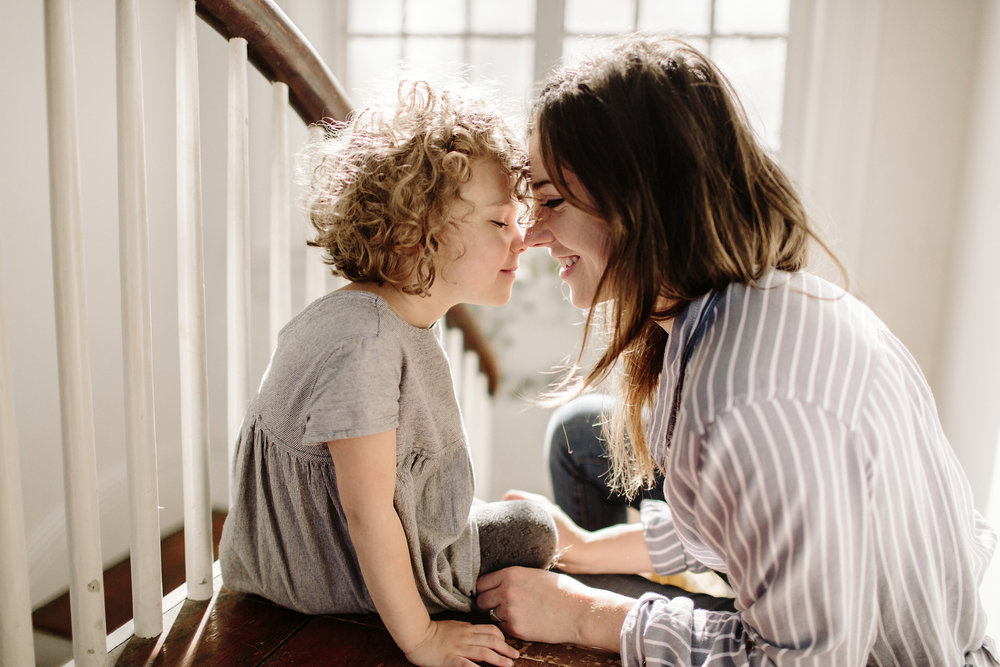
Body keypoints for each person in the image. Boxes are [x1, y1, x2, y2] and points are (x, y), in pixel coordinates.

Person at [474, 37, 999, 665]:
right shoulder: (738, 309)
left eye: (551, 201)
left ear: (641, 201)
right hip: (858, 618)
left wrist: (583, 615)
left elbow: (804, 660)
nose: (529, 236)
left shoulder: (753, 401)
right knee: (583, 439)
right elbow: (730, 523)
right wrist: (586, 548)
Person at [219, 82, 556, 667]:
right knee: (534, 529)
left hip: (322, 554)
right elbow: (366, 512)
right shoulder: (366, 346)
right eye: (499, 222)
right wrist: (423, 638)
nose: (522, 240)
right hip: (320, 572)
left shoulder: (381, 320)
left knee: (522, 524)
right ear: (412, 234)